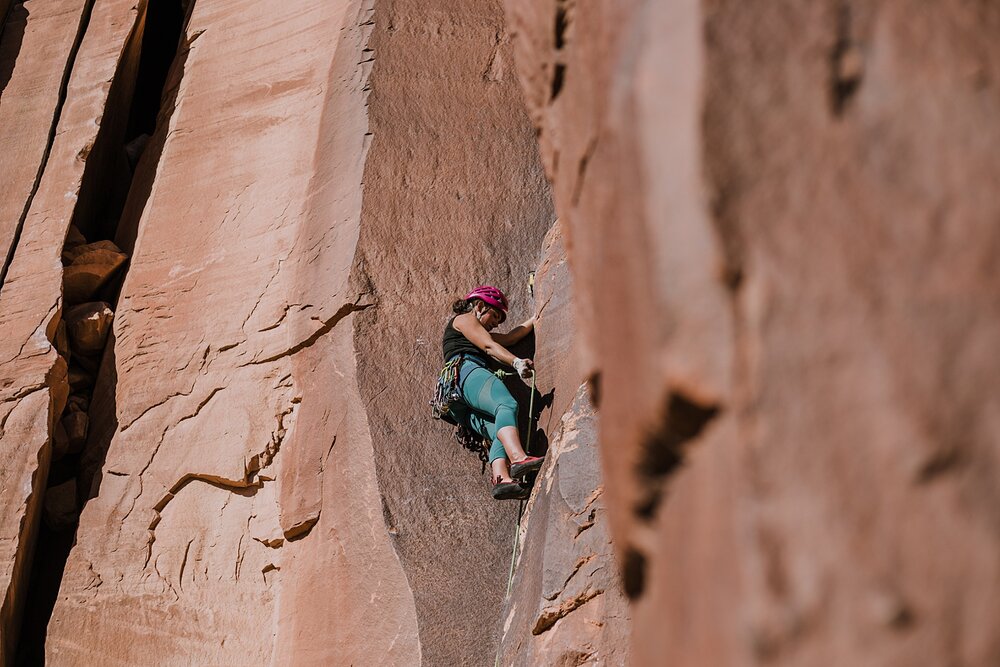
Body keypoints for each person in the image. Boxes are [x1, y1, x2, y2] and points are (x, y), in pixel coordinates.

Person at [443, 285, 544, 500]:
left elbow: (509, 339)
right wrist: (516, 362)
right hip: (466, 371)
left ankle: (501, 479)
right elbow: (489, 346)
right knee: (507, 405)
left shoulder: (473, 332)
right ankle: (518, 458)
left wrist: (535, 318)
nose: (496, 323)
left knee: (499, 427)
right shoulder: (464, 319)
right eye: (495, 315)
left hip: (454, 398)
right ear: (479, 306)